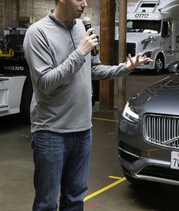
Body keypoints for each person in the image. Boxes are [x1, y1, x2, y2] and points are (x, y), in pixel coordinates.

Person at [23, 0, 153, 210]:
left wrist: (125, 67)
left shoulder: (81, 29)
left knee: (75, 199)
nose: (85, 4)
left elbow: (93, 69)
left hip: (83, 131)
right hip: (51, 131)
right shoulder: (37, 33)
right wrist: (79, 52)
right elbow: (45, 83)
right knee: (46, 203)